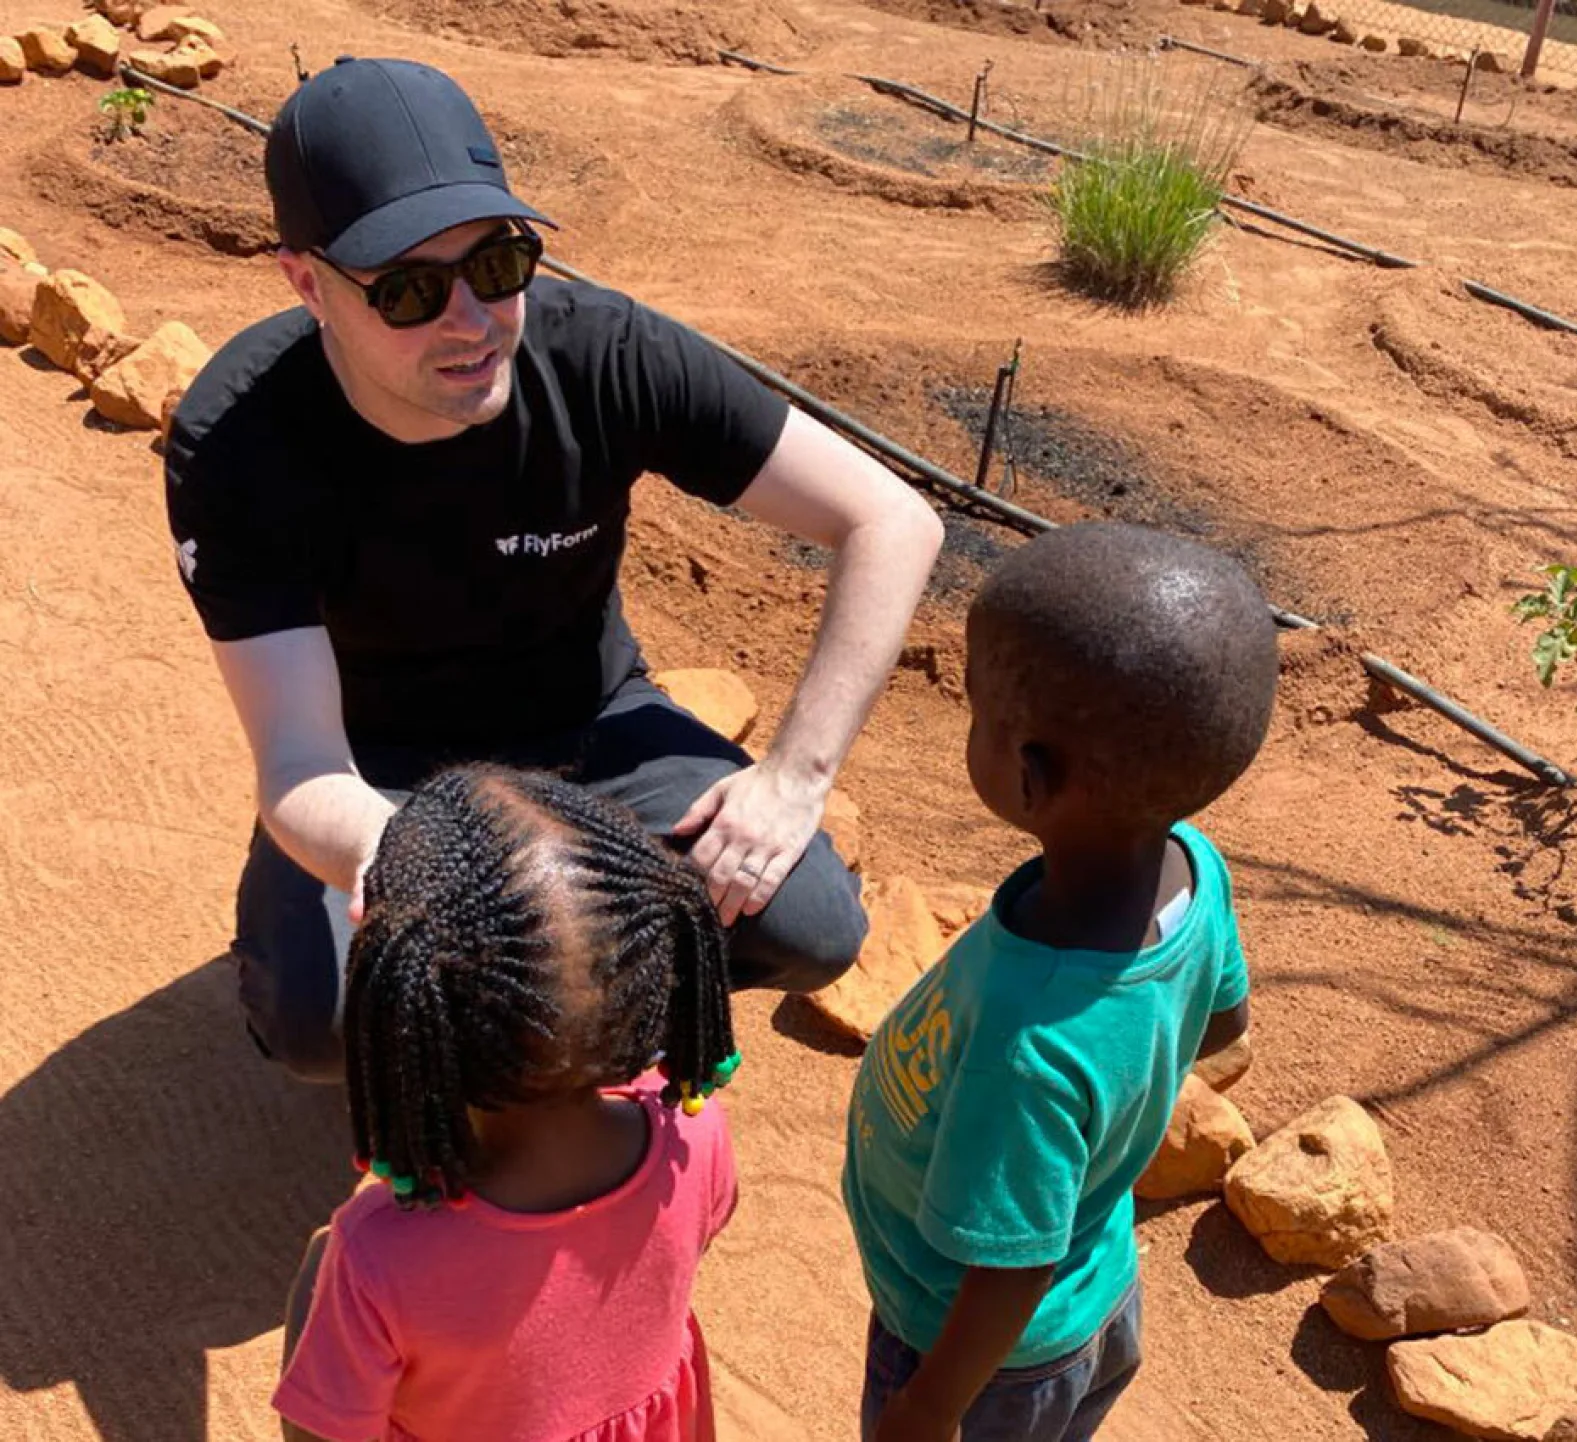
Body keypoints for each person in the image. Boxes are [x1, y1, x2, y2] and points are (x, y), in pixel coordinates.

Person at [164, 57, 943, 1081]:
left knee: (807, 921)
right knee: (319, 1019)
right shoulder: (238, 444)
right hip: (380, 766)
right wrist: (441, 871)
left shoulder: (604, 356)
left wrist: (794, 778)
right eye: (407, 288)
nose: (471, 320)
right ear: (308, 283)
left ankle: (592, 1035)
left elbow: (890, 517)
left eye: (496, 263)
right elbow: (304, 769)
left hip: (591, 723)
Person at [841, 522, 1279, 1442]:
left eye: (976, 715)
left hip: (978, 1358)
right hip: (1096, 1284)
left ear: (1033, 778)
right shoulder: (1193, 867)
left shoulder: (1026, 1041)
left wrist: (929, 1408)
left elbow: (1009, 1269)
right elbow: (1220, 1021)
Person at [274, 764, 741, 1442]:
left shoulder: (378, 1253)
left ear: (411, 1015)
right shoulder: (694, 1139)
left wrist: (322, 1278)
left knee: (318, 1264)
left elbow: (319, 1433)